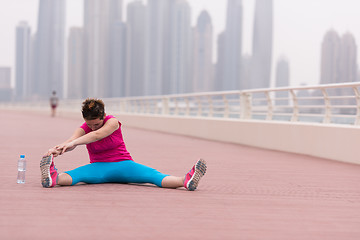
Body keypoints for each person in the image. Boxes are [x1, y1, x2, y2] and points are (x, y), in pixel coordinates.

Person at [40, 98, 207, 190]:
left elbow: (97, 136)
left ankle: (185, 180)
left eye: (96, 123)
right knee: (76, 176)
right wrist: (58, 148)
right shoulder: (85, 127)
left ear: (103, 116)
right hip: (99, 168)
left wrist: (75, 142)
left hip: (125, 165)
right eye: (89, 124)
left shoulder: (112, 122)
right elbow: (71, 141)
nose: (92, 127)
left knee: (155, 177)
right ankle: (52, 178)